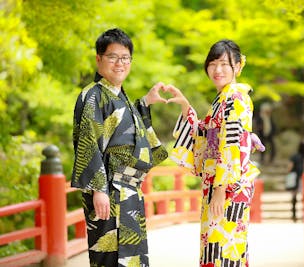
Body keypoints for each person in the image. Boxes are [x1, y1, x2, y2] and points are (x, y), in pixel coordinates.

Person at [71, 28, 168, 267]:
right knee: (111, 257)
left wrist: (144, 103)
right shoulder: (93, 95)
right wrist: (98, 189)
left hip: (129, 192)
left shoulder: (117, 96)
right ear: (99, 59)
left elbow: (125, 127)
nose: (119, 63)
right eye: (112, 57)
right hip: (109, 191)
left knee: (132, 258)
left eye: (125, 58)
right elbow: (88, 142)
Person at [165, 40, 263, 267]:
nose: (217, 70)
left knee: (224, 248)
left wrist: (220, 189)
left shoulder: (236, 98)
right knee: (214, 246)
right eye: (212, 64)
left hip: (228, 186)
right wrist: (185, 106)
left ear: (238, 67)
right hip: (218, 183)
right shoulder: (222, 99)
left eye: (224, 64)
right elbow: (204, 134)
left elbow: (231, 144)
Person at [287, 139, 304, 222]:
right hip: (303, 178)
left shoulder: (294, 156)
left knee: (294, 197)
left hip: (295, 178)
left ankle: (294, 215)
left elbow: (289, 167)